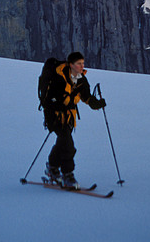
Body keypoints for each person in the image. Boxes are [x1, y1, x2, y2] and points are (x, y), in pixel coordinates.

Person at [43, 51, 106, 189]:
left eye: (83, 63)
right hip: (55, 116)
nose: (82, 66)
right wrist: (59, 104)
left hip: (69, 117)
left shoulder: (81, 79)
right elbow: (50, 99)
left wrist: (95, 103)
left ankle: (52, 168)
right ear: (71, 64)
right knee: (68, 145)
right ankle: (68, 175)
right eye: (79, 63)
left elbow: (86, 96)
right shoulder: (59, 77)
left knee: (62, 142)